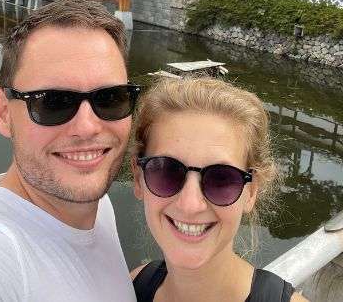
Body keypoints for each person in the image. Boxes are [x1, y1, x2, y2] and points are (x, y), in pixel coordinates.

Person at [0, 0, 141, 301]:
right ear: (2, 112)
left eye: (110, 98)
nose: (88, 127)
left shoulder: (96, 204)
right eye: (53, 102)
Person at [131, 77, 307, 302]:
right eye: (167, 171)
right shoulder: (132, 288)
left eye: (221, 179)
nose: (190, 205)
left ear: (251, 191)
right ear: (138, 179)